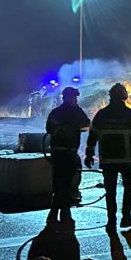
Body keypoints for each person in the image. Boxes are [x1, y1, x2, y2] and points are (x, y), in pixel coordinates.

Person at [85, 83, 131, 230]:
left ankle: (111, 221)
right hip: (127, 159)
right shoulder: (130, 114)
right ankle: (126, 218)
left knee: (110, 190)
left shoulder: (101, 114)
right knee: (128, 188)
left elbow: (92, 136)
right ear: (124, 96)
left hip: (108, 159)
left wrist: (89, 154)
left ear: (111, 96)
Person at [45, 86, 90, 226]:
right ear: (69, 97)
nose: (76, 99)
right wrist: (70, 129)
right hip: (66, 152)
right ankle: (62, 209)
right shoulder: (74, 112)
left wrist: (70, 128)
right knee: (65, 180)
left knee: (60, 179)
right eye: (74, 97)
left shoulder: (58, 112)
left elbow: (87, 125)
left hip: (61, 152)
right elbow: (86, 125)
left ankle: (57, 208)